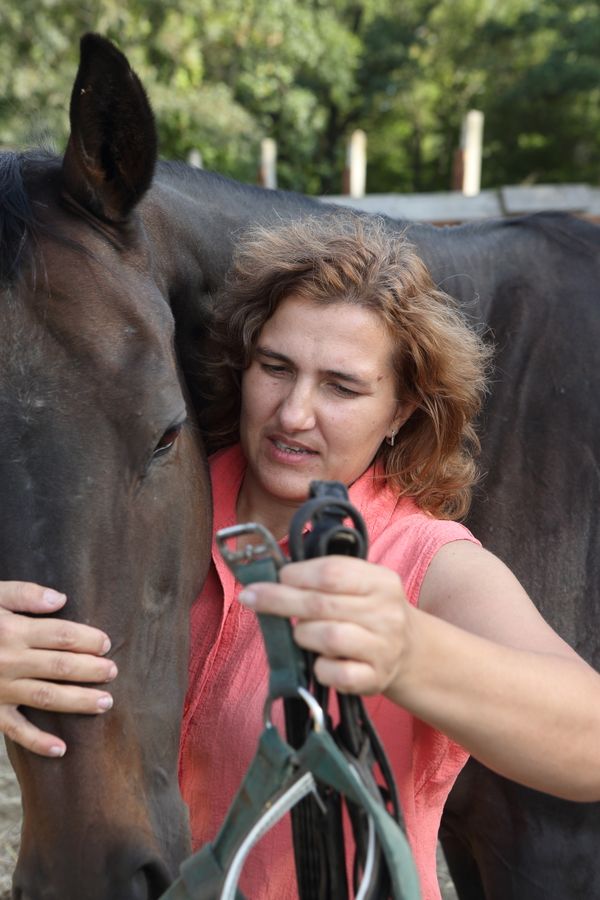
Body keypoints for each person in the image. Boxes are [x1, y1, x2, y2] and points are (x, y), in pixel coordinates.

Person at [1, 214, 600, 900]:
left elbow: (591, 743)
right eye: (276, 368)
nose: (293, 414)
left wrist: (411, 652)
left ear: (402, 409)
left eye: (342, 388)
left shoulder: (426, 562)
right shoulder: (147, 505)